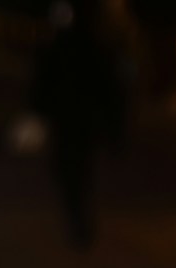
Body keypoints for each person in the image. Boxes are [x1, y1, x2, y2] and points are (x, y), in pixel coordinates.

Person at [30, 0, 129, 249]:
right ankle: (78, 217)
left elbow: (110, 90)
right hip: (74, 121)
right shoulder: (89, 47)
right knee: (74, 170)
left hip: (74, 121)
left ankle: (78, 217)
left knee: (73, 170)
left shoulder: (80, 47)